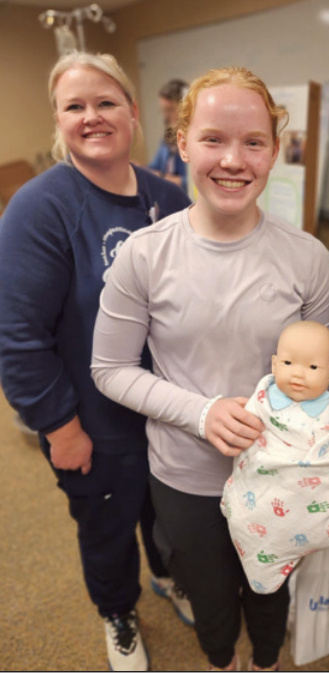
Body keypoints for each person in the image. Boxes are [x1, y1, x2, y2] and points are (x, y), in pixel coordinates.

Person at [90, 66, 329, 672]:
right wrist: (202, 413)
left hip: (278, 474)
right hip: (186, 476)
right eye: (213, 140)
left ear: (275, 150)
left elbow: (322, 380)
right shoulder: (145, 255)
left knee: (268, 590)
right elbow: (110, 368)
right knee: (209, 595)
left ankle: (264, 664)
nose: (234, 160)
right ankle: (223, 662)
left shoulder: (308, 260)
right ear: (182, 144)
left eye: (253, 142)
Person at [0, 52, 192, 671]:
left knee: (166, 514)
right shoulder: (40, 208)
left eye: (105, 102)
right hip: (93, 425)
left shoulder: (168, 196)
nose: (91, 117)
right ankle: (118, 612)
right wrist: (59, 427)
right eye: (74, 107)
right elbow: (16, 334)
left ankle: (167, 574)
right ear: (58, 120)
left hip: (165, 414)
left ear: (133, 114)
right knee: (108, 532)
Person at [220, 320, 329, 594]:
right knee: (244, 512)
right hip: (258, 498)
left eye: (313, 367)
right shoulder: (260, 402)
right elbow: (247, 451)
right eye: (288, 363)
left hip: (304, 506)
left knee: (314, 523)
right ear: (274, 364)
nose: (299, 374)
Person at [145, 78, 189, 191]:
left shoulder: (196, 140)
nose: (166, 117)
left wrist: (162, 177)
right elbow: (153, 168)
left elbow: (193, 181)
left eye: (170, 110)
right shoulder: (167, 141)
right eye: (163, 111)